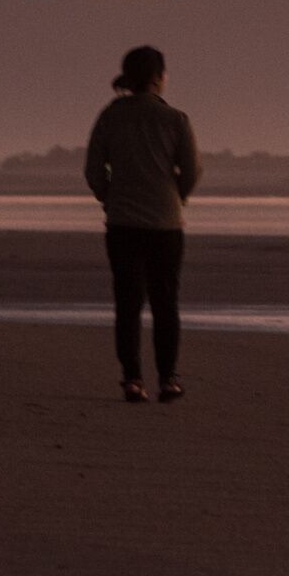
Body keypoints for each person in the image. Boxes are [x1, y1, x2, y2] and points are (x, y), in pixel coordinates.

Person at [81, 44, 200, 404]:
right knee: (165, 302)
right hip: (165, 224)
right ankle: (168, 378)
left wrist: (109, 197)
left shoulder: (110, 116)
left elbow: (92, 170)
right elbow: (192, 170)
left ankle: (132, 379)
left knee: (128, 302)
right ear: (159, 77)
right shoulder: (175, 119)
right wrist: (177, 197)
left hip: (123, 224)